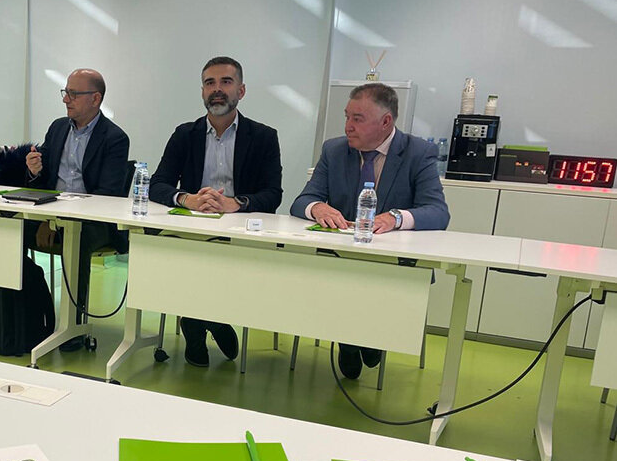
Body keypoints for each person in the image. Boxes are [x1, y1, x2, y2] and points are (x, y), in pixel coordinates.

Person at [290, 82, 449, 380]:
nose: (348, 126)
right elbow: (302, 201)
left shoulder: (418, 153)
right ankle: (351, 341)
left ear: (386, 121)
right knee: (340, 284)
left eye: (357, 119)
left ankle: (368, 336)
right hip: (340, 259)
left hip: (390, 264)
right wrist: (318, 209)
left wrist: (395, 218)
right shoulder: (334, 150)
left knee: (370, 294)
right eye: (347, 117)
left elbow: (438, 212)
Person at [148, 56, 283, 367]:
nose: (217, 89)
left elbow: (272, 194)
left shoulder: (263, 136)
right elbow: (158, 184)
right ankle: (207, 321)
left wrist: (236, 204)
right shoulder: (185, 134)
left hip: (239, 230)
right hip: (193, 229)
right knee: (182, 255)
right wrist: (186, 200)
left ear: (241, 90)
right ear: (202, 91)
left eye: (226, 82)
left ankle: (202, 320)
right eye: (210, 83)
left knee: (220, 261)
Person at [24, 68, 130, 352]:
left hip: (94, 223)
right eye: (65, 92)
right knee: (11, 228)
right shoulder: (58, 128)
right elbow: (44, 180)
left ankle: (74, 325)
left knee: (77, 238)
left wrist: (58, 221)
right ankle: (29, 317)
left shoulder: (115, 138)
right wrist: (34, 170)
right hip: (52, 214)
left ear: (95, 99)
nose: (66, 99)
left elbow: (106, 196)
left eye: (74, 94)